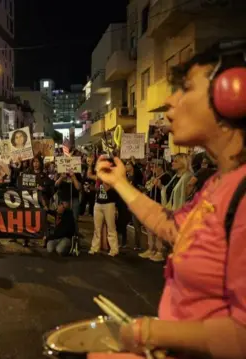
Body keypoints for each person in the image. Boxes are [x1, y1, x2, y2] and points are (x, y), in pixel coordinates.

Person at [97, 41, 246, 358]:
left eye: (186, 89)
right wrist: (120, 183)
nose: (169, 101)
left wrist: (148, 331)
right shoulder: (219, 184)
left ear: (231, 94)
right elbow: (171, 226)